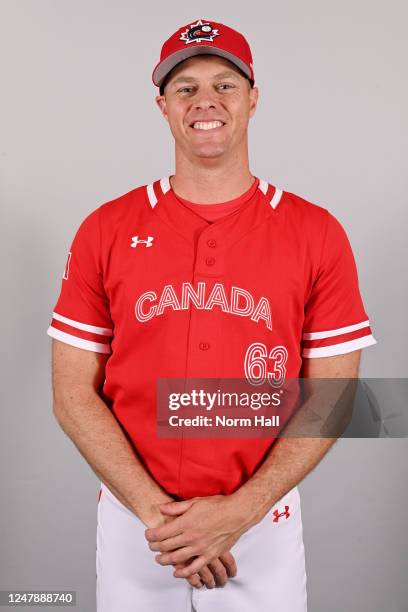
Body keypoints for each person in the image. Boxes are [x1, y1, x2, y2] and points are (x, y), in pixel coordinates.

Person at [47, 18, 377, 612]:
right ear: (163, 105)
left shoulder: (316, 232)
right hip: (136, 525)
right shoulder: (107, 228)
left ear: (253, 99)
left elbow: (334, 393)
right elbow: (72, 391)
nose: (206, 101)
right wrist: (161, 519)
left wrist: (238, 513)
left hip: (261, 523)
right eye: (186, 87)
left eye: (225, 85)